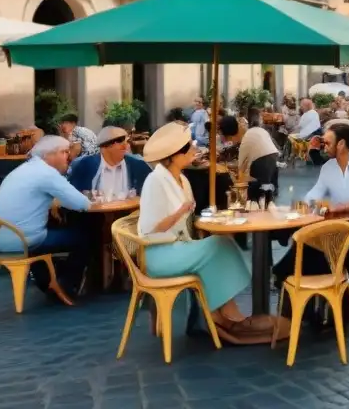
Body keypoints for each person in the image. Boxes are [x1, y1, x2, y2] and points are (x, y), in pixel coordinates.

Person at [138, 123, 266, 341]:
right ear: (174, 156)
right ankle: (224, 315)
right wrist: (180, 211)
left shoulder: (183, 180)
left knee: (222, 242)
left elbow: (189, 220)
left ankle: (223, 312)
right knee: (217, 245)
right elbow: (152, 228)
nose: (193, 151)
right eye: (188, 149)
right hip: (159, 252)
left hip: (180, 246)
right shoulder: (155, 181)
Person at [272, 122, 349, 323]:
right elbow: (314, 195)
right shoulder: (328, 168)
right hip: (341, 226)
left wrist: (341, 208)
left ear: (341, 144)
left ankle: (339, 309)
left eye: (326, 142)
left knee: (335, 246)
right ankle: (312, 304)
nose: (322, 146)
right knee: (309, 241)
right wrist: (297, 207)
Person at [0, 136, 93, 296]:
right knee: (85, 236)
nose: (69, 156)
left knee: (46, 230)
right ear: (48, 155)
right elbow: (82, 204)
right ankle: (66, 286)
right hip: (21, 241)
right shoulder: (47, 174)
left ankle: (48, 283)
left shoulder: (22, 170)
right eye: (64, 152)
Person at [68, 126, 151, 197]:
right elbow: (72, 194)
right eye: (119, 141)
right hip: (96, 214)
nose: (125, 146)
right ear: (104, 147)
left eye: (126, 141)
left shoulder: (139, 166)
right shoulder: (84, 165)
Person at [237, 125, 280, 203]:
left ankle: (256, 205)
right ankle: (270, 202)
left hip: (261, 160)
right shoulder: (256, 130)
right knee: (269, 186)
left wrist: (239, 175)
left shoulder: (245, 140)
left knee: (257, 189)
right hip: (273, 155)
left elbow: (240, 165)